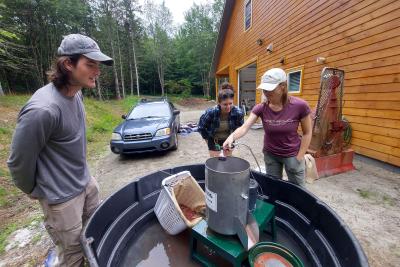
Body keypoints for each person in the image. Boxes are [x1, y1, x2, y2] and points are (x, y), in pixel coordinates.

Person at [7, 33, 113, 266]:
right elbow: (18, 163)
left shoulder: (76, 94)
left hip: (85, 183)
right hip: (62, 200)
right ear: (68, 64)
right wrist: (39, 190)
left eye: (98, 65)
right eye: (90, 64)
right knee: (73, 255)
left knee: (96, 236)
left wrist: (86, 179)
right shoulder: (43, 110)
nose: (97, 71)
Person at [223, 68, 312, 186]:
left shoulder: (300, 106)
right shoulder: (261, 108)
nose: (265, 92)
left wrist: (300, 156)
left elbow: (307, 132)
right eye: (264, 88)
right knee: (273, 187)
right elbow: (244, 127)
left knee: (299, 191)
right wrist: (231, 137)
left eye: (270, 89)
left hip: (292, 155)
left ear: (283, 86)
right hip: (271, 155)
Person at [198, 82, 244, 157]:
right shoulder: (211, 112)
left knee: (228, 161)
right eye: (225, 104)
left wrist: (232, 139)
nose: (228, 107)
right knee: (215, 163)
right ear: (219, 103)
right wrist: (208, 141)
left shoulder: (238, 112)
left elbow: (241, 128)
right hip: (214, 140)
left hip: (229, 139)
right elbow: (201, 127)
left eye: (230, 103)